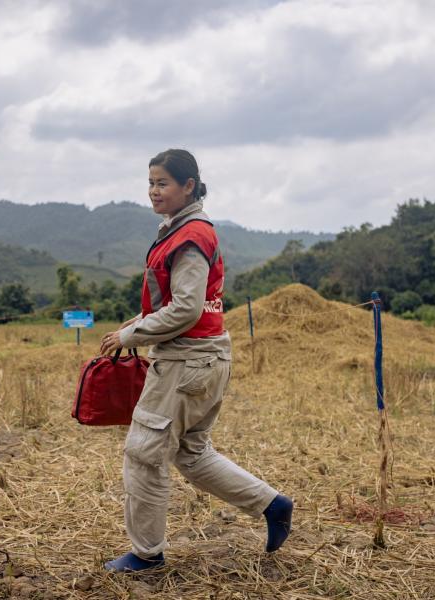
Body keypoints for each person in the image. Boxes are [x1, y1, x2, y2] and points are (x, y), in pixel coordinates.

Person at [99, 149, 293, 573]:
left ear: (189, 186)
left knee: (144, 453)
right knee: (191, 453)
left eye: (163, 183)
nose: (154, 191)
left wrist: (131, 335)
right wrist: (137, 322)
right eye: (150, 183)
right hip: (206, 358)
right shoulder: (183, 230)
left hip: (186, 362)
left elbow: (186, 309)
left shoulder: (190, 237)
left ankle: (146, 555)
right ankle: (272, 505)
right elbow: (181, 303)